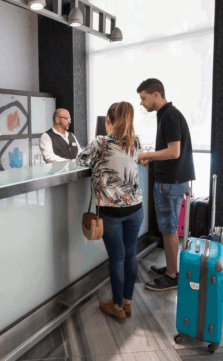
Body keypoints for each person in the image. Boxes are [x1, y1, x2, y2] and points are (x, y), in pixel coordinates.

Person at [76, 102, 144, 323]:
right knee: (130, 254)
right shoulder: (136, 141)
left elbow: (80, 161)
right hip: (136, 208)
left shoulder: (100, 142)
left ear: (109, 120)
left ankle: (116, 307)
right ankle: (127, 302)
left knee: (117, 257)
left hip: (111, 211)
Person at [137, 78, 195, 291]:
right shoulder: (166, 114)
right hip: (171, 180)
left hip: (171, 181)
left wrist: (146, 155)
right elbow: (170, 149)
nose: (142, 103)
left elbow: (174, 151)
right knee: (167, 228)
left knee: (169, 229)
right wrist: (152, 157)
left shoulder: (169, 115)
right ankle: (171, 268)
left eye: (144, 98)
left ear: (156, 94)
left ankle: (172, 276)